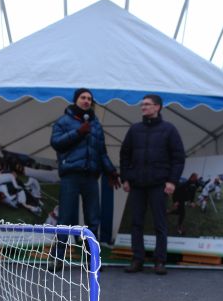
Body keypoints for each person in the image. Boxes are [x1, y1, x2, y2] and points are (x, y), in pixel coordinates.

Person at [49, 88, 120, 270]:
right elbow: (56, 143)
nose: (87, 101)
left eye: (89, 98)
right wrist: (78, 132)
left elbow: (101, 152)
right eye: (83, 98)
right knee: (65, 217)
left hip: (90, 177)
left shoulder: (96, 124)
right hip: (70, 176)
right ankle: (57, 259)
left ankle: (92, 259)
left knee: (93, 219)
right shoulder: (63, 121)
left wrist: (111, 171)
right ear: (75, 100)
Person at [120, 94, 185, 275]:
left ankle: (160, 261)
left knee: (160, 223)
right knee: (136, 223)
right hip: (137, 185)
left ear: (157, 107)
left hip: (159, 184)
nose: (143, 107)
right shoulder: (134, 130)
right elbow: (124, 155)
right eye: (142, 105)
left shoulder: (169, 130)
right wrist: (125, 178)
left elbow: (178, 158)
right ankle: (137, 259)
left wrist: (172, 181)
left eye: (147, 105)